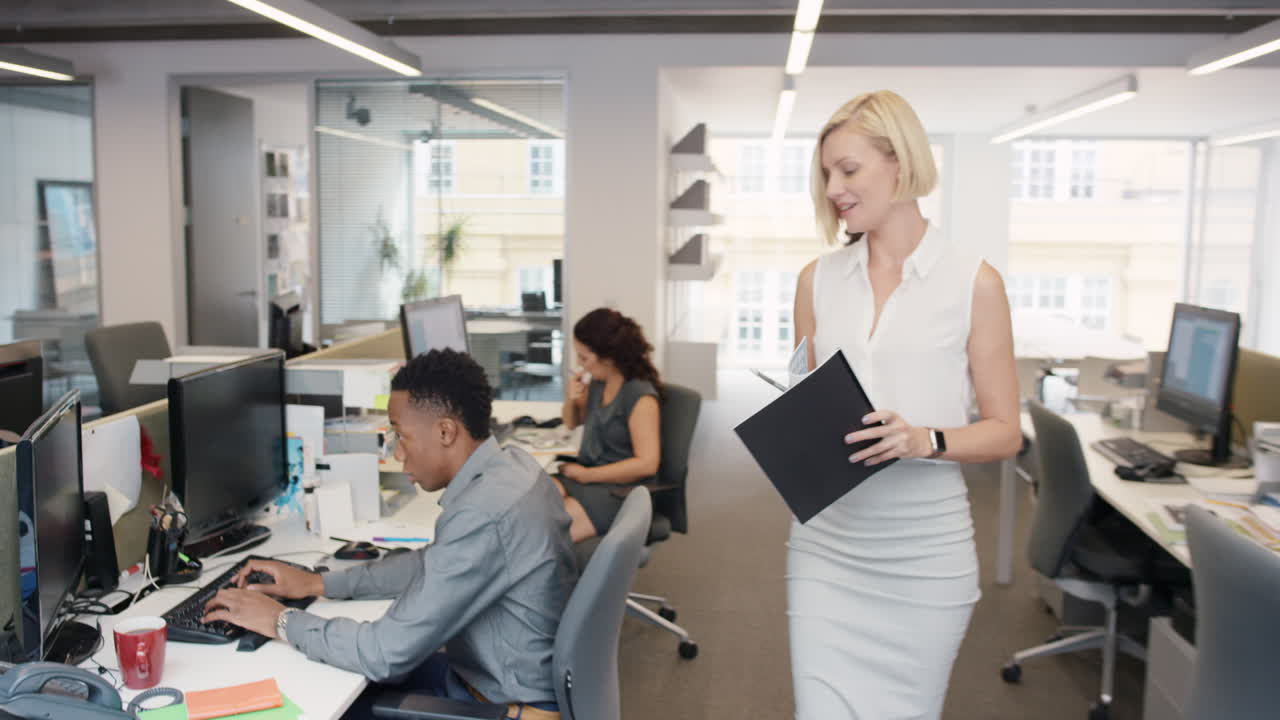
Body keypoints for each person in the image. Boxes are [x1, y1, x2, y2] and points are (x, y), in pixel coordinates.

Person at [787, 90, 1021, 718]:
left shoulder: (974, 282)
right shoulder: (817, 280)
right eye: (826, 173)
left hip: (924, 551)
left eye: (848, 169)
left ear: (901, 163)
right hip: (827, 547)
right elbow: (809, 406)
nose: (833, 187)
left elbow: (1006, 433)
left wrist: (928, 440)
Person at [202, 349, 577, 720]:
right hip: (494, 678)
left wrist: (279, 621)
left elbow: (384, 653)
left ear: (446, 431)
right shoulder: (512, 467)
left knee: (315, 703)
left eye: (402, 436)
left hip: (498, 706)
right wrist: (318, 584)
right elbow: (433, 565)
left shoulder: (483, 513)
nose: (398, 454)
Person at [556, 308, 661, 543]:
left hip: (619, 490)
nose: (579, 365)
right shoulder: (598, 383)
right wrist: (572, 398)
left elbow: (648, 464)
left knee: (546, 527)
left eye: (584, 358)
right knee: (528, 504)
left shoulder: (640, 396)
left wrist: (588, 476)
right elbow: (571, 422)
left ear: (608, 357)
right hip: (585, 475)